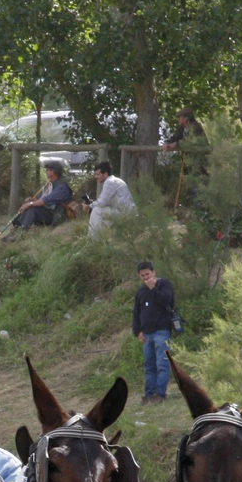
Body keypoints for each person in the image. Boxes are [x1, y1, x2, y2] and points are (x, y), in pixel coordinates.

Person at [131, 262, 177, 403]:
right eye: (142, 275)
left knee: (162, 364)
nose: (145, 278)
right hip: (147, 334)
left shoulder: (164, 284)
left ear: (153, 273)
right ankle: (149, 394)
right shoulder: (140, 291)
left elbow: (166, 300)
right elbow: (136, 313)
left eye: (148, 274)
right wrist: (138, 332)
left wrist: (153, 288)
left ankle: (160, 394)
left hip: (162, 331)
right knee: (149, 366)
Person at [5, 159, 72, 237]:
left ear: (52, 172)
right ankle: (17, 229)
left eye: (47, 170)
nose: (46, 171)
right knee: (29, 207)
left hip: (57, 215)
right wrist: (32, 200)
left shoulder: (61, 187)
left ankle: (21, 233)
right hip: (50, 211)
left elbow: (46, 200)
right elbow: (41, 198)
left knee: (31, 208)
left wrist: (30, 204)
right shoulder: (50, 183)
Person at [87, 161, 134, 235]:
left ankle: (92, 239)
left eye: (98, 174)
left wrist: (89, 206)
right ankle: (105, 240)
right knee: (101, 218)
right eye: (95, 174)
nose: (95, 177)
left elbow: (101, 203)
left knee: (96, 211)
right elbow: (105, 202)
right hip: (124, 212)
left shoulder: (110, 182)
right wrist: (93, 203)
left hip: (124, 213)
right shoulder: (114, 180)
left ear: (105, 174)